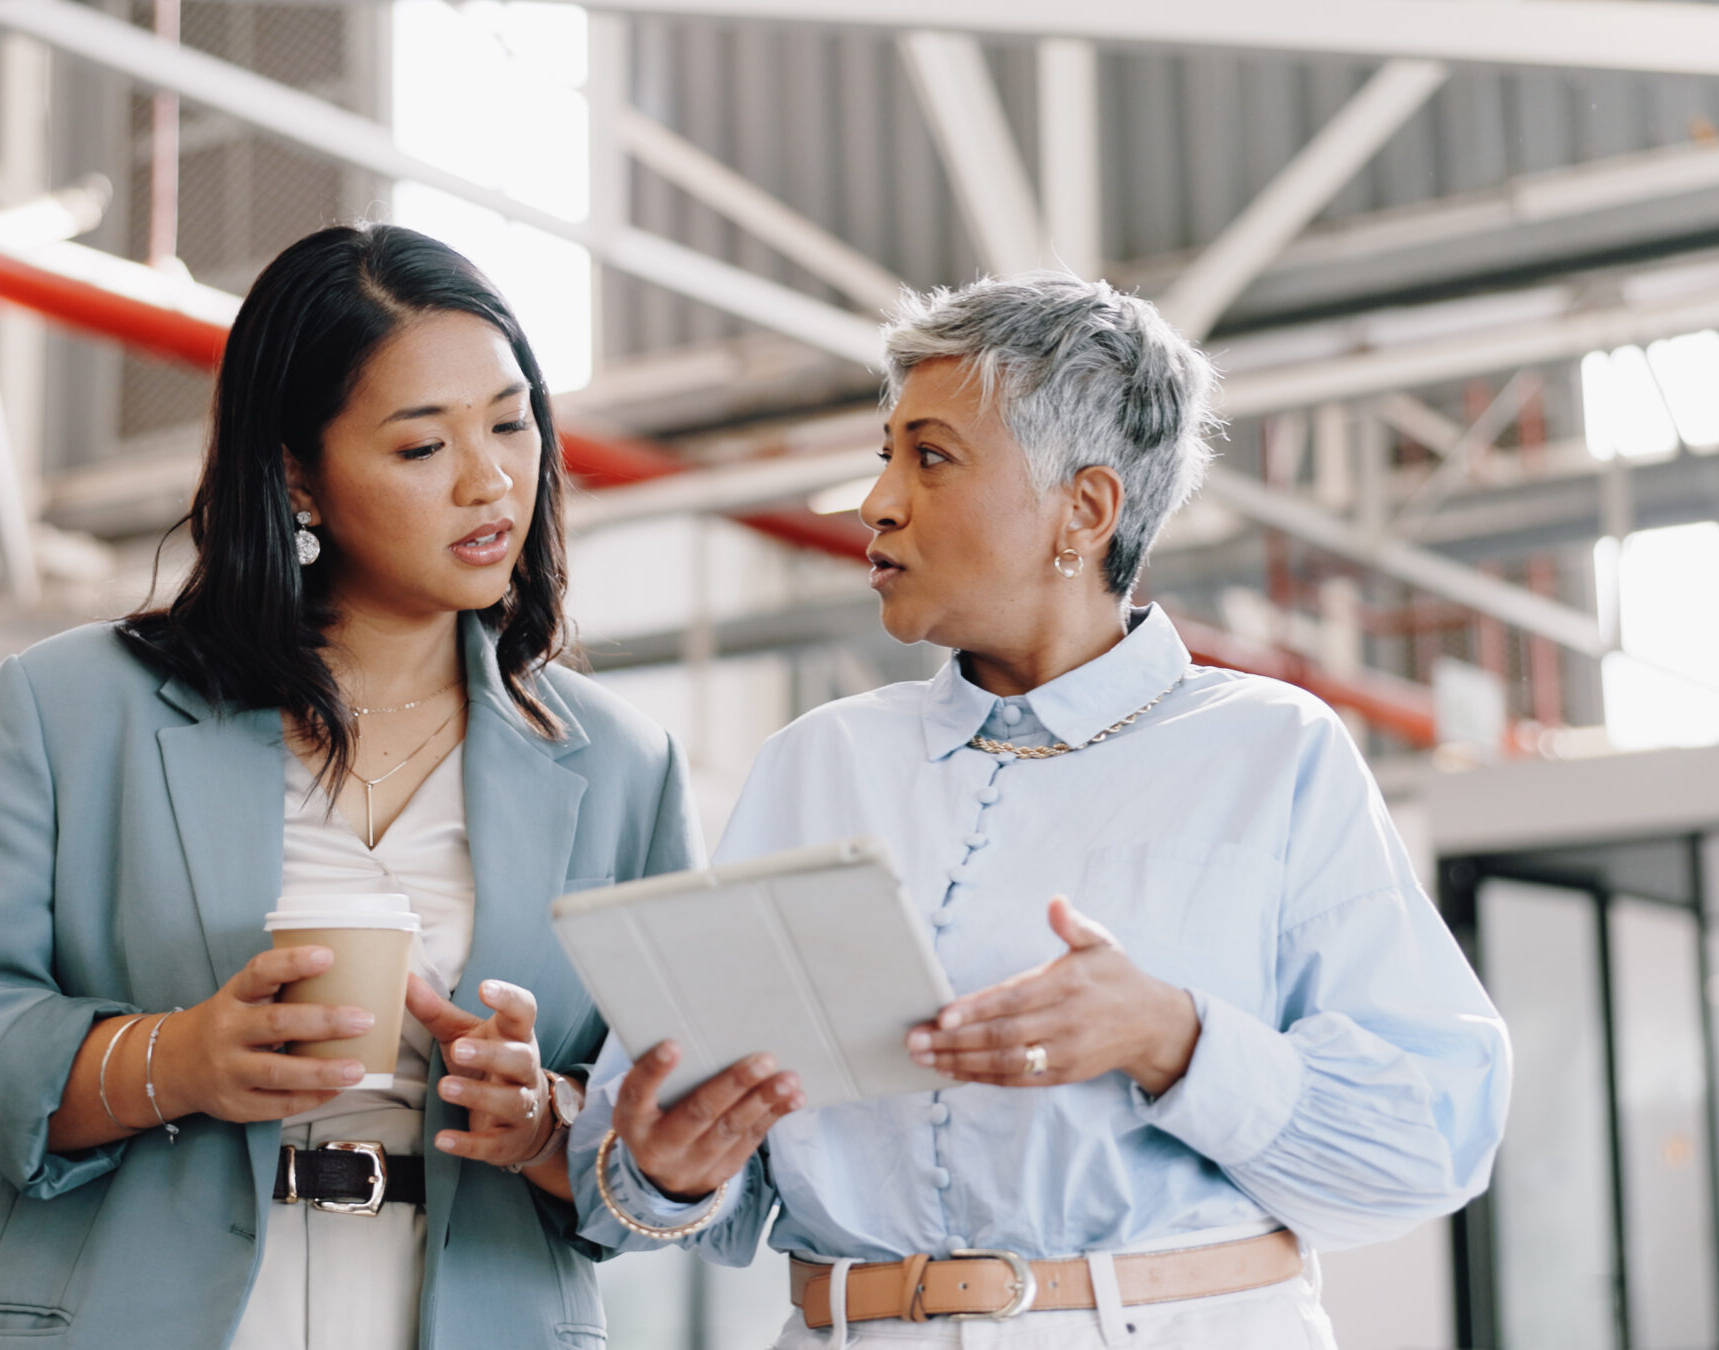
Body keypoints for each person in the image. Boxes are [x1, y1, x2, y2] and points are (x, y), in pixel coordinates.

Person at [571, 273, 1512, 1348]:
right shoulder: (813, 764)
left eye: (928, 457)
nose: (877, 501)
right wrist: (666, 1172)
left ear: (1086, 507)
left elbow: (1424, 1151)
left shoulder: (1271, 752)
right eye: (885, 455)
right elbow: (644, 1181)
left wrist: (1173, 1038)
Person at [0, 224, 698, 1350]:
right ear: (298, 475)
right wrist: (176, 1059)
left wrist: (544, 1123)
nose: (491, 478)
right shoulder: (73, 708)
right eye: (420, 449)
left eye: (511, 421)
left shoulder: (621, 762)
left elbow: (672, 1154)